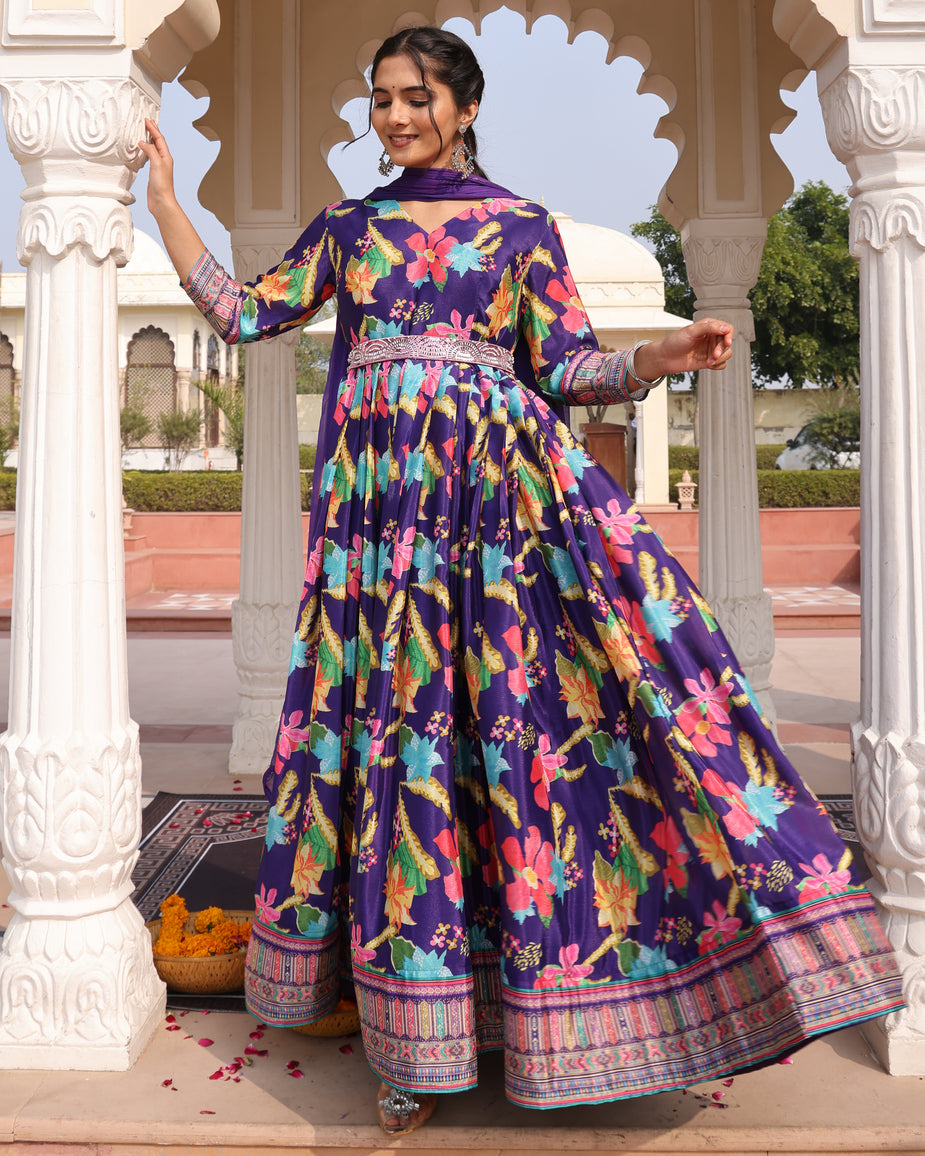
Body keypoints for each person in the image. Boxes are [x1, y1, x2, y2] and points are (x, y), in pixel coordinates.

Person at [139, 26, 902, 1137]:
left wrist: (657, 359)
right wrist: (164, 199)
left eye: (414, 97)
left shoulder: (518, 227)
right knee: (405, 751)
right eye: (380, 98)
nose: (393, 116)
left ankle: (558, 1007)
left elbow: (569, 366)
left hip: (497, 522)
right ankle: (415, 1037)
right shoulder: (351, 228)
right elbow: (247, 311)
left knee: (517, 733)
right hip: (379, 541)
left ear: (463, 105)